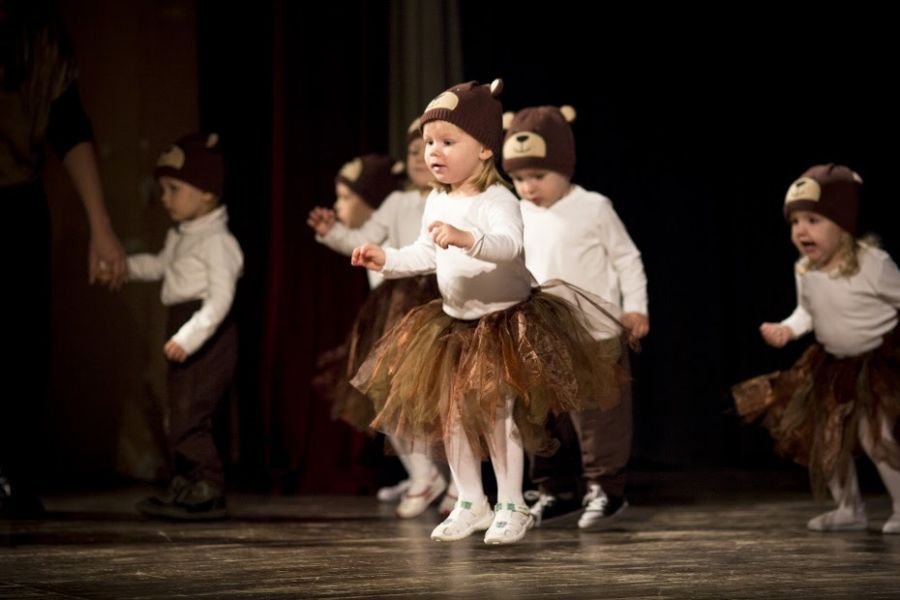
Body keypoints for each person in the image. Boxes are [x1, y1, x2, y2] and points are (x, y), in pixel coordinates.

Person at [350, 79, 626, 544]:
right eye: (429, 142)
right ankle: (470, 500)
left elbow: (508, 245)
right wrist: (387, 260)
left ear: (483, 149)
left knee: (499, 415)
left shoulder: (499, 199)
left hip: (504, 324)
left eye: (447, 142)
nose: (434, 152)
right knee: (455, 415)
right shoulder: (437, 199)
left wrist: (467, 239)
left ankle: (512, 503)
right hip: (455, 324)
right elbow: (426, 252)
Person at [0, 0, 126, 517]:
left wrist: (101, 227)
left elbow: (69, 126)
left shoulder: (37, 33)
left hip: (16, 200)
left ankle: (9, 470)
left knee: (23, 343)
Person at [502, 105, 648, 529]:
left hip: (594, 332)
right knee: (542, 416)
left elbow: (627, 259)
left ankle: (606, 489)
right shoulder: (517, 213)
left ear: (564, 167)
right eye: (519, 179)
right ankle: (554, 489)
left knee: (599, 416)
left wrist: (636, 307)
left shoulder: (593, 207)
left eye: (538, 176)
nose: (528, 187)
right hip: (540, 335)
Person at [733, 164, 900, 534]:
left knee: (877, 437)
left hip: (877, 364)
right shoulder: (805, 269)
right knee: (827, 437)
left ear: (843, 225)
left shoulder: (873, 265)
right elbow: (807, 312)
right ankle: (849, 508)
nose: (800, 230)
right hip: (833, 366)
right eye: (794, 222)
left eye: (813, 220)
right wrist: (787, 329)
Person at [308, 149, 454, 518]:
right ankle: (423, 475)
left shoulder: (451, 199)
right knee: (388, 392)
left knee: (439, 397)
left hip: (436, 303)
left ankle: (455, 482)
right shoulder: (397, 202)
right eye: (415, 149)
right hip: (395, 309)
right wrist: (332, 233)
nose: (422, 156)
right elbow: (363, 238)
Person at [122, 132, 243, 520]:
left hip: (207, 333)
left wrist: (189, 336)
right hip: (181, 323)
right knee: (177, 413)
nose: (165, 198)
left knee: (191, 414)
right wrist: (123, 267)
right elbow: (162, 265)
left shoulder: (218, 241)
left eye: (173, 189)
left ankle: (207, 485)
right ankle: (187, 483)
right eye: (162, 189)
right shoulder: (181, 235)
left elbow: (220, 300)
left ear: (206, 192)